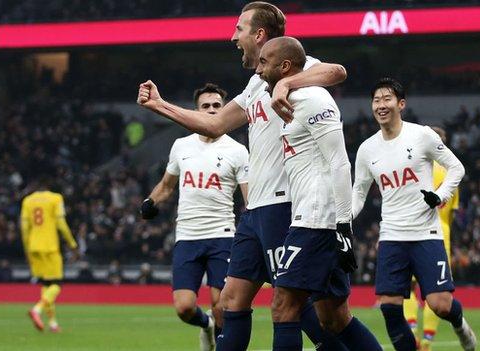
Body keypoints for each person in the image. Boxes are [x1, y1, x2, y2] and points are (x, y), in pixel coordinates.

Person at [137, 2, 348, 350]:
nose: (233, 37)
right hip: (255, 213)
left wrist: (288, 84)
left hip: (285, 205)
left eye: (239, 29)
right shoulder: (255, 85)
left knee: (297, 308)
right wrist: (159, 105)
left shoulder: (295, 64)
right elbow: (215, 123)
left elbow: (337, 71)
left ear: (259, 34)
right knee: (231, 300)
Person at [257, 36, 384, 351]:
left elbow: (340, 162)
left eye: (263, 62)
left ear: (285, 66)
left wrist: (342, 225)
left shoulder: (314, 99)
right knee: (333, 318)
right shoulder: (291, 99)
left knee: (284, 305)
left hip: (318, 221)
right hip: (313, 218)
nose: (258, 70)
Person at [352, 78, 477, 351]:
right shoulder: (367, 149)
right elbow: (358, 194)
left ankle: (460, 325)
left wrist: (440, 196)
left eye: (387, 99)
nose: (381, 105)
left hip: (426, 235)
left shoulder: (421, 135)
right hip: (392, 236)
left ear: (401, 104)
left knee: (440, 304)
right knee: (390, 307)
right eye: (376, 100)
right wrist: (343, 219)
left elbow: (457, 168)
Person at [140, 83, 249, 351]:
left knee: (221, 304)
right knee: (184, 307)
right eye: (206, 106)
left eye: (216, 106)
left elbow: (251, 197)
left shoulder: (237, 150)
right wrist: (150, 202)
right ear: (196, 110)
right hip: (187, 236)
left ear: (224, 109)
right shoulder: (181, 146)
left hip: (222, 235)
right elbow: (167, 185)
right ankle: (206, 325)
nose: (212, 110)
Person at [402, 127, 460, 351]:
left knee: (407, 287)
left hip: (411, 229)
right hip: (441, 233)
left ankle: (412, 328)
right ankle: (426, 342)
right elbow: (451, 212)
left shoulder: (414, 165)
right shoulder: (450, 170)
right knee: (436, 292)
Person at [21, 177, 78, 333]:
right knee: (57, 284)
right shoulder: (55, 198)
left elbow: (24, 227)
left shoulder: (28, 201)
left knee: (46, 285)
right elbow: (61, 223)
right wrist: (72, 244)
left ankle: (52, 323)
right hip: (50, 246)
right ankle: (37, 310)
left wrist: (27, 249)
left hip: (33, 246)